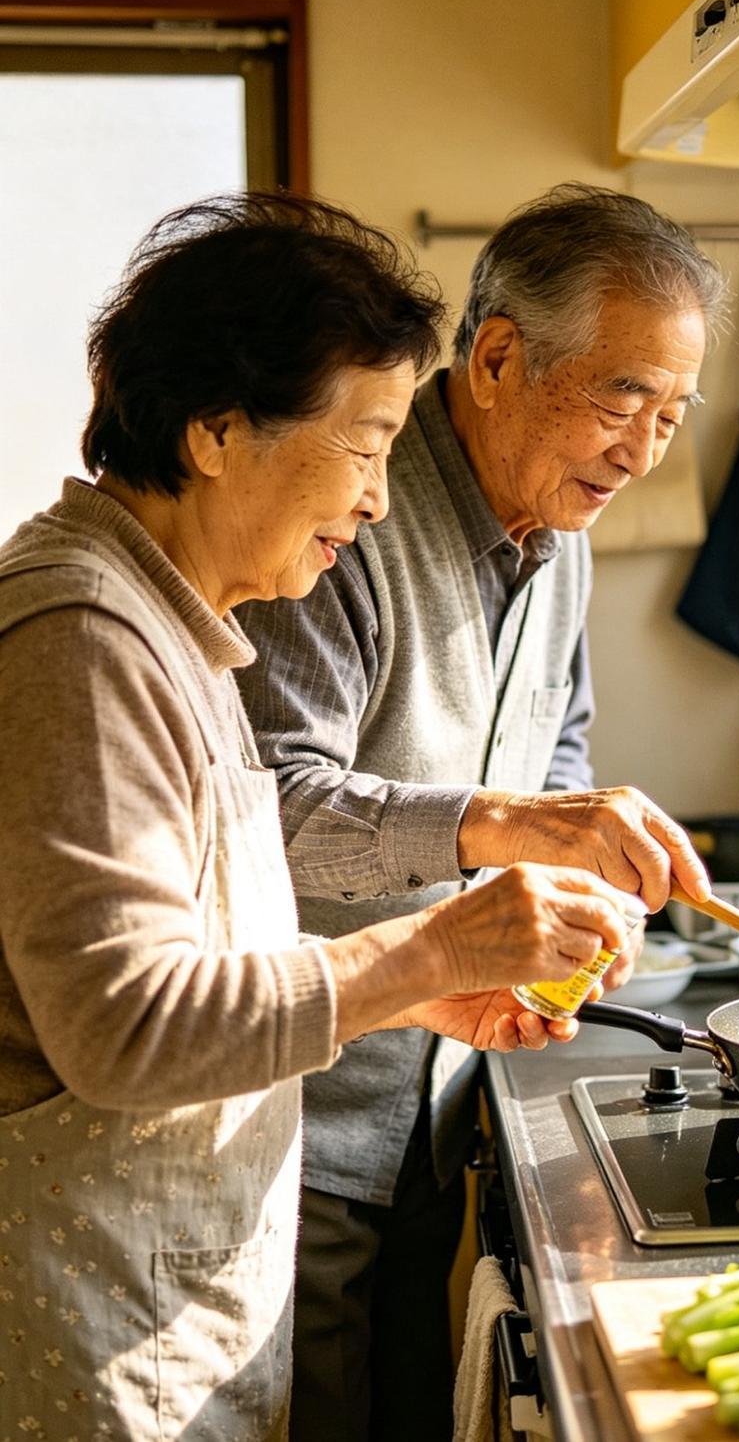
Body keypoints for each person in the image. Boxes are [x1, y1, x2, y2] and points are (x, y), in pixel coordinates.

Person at [0, 192, 643, 1438]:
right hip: (93, 1325)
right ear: (216, 432)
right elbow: (124, 1025)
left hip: (160, 1291)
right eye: (363, 447)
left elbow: (206, 949)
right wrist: (428, 950)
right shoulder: (81, 638)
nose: (380, 501)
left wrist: (413, 998)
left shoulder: (177, 628)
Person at [236, 183, 727, 1439]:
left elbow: (557, 746)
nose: (642, 450)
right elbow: (271, 805)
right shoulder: (345, 514)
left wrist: (580, 886)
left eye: (671, 414)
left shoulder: (562, 532)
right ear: (499, 357)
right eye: (621, 398)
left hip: (445, 1090)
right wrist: (510, 825)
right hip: (305, 1106)